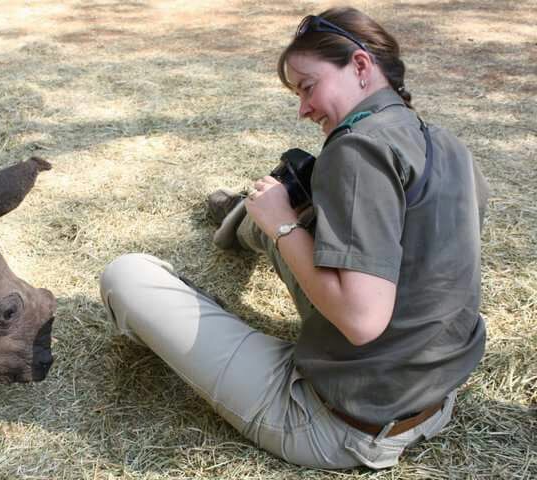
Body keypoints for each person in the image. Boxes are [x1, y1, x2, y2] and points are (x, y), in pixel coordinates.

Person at [99, 6, 488, 469]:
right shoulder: (446, 144)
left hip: (336, 426)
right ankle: (239, 218)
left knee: (126, 275)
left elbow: (363, 320)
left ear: (360, 66)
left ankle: (240, 229)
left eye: (307, 86)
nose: (303, 109)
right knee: (291, 216)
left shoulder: (357, 149)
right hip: (434, 401)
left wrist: (283, 226)